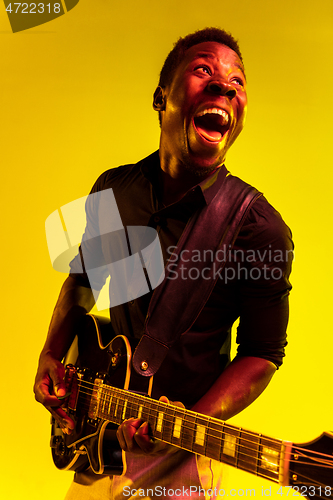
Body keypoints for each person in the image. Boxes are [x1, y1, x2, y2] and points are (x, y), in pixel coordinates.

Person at [34, 28, 293, 499]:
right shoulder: (115, 188)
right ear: (162, 97)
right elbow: (83, 280)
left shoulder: (258, 228)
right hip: (98, 440)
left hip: (179, 463)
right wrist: (51, 353)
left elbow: (263, 353)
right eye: (204, 70)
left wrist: (187, 422)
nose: (226, 84)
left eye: (238, 79)